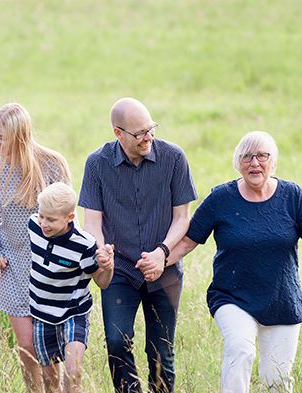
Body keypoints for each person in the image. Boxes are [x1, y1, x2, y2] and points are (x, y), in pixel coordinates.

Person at [144, 131, 302, 393]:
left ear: (273, 162)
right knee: (241, 349)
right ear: (238, 163)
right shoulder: (221, 198)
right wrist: (158, 260)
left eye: (262, 156)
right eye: (247, 157)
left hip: (282, 300)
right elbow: (188, 241)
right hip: (232, 297)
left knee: (276, 379)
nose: (254, 163)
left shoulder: (292, 196)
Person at [79, 97, 197, 393]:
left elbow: (182, 218)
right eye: (139, 133)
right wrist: (100, 250)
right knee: (117, 342)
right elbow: (92, 221)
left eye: (150, 129)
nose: (148, 138)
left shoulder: (173, 158)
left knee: (161, 352)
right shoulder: (97, 164)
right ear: (118, 133)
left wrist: (162, 253)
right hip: (119, 270)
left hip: (165, 269)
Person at [0, 103, 72, 392]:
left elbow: (69, 215)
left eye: (2, 137)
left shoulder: (51, 164)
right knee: (26, 347)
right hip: (13, 265)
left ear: (19, 135)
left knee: (48, 349)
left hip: (48, 268)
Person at [28, 182, 115, 393]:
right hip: (41, 312)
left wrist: (108, 267)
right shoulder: (33, 226)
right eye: (41, 216)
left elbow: (102, 282)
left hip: (73, 312)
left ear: (70, 217)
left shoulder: (84, 245)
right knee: (50, 380)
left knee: (73, 370)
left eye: (50, 219)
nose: (43, 223)